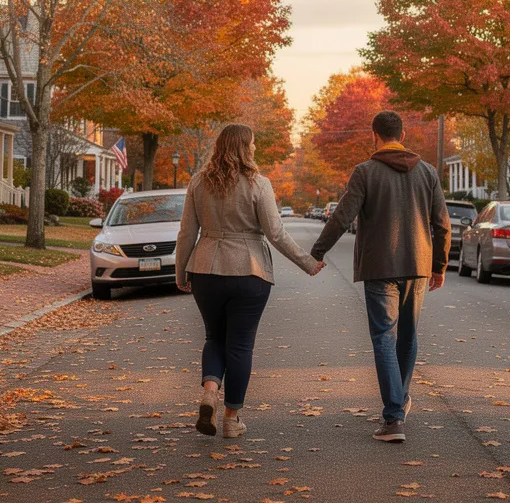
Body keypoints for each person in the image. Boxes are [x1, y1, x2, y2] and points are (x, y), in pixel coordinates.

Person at [176, 123, 325, 439]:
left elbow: (187, 232)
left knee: (215, 337)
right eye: (253, 144)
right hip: (250, 272)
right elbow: (276, 233)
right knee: (240, 344)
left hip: (205, 270)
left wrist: (181, 271)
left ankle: (209, 392)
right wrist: (308, 263)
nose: (255, 148)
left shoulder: (198, 183)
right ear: (245, 148)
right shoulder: (259, 184)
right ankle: (231, 419)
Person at [311, 110, 449, 443]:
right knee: (407, 336)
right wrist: (438, 266)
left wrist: (317, 252)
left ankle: (393, 417)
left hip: (380, 267)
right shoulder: (428, 172)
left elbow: (343, 216)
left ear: (374, 136)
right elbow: (442, 223)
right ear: (402, 134)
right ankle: (398, 403)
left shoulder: (365, 172)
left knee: (384, 338)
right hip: (417, 266)